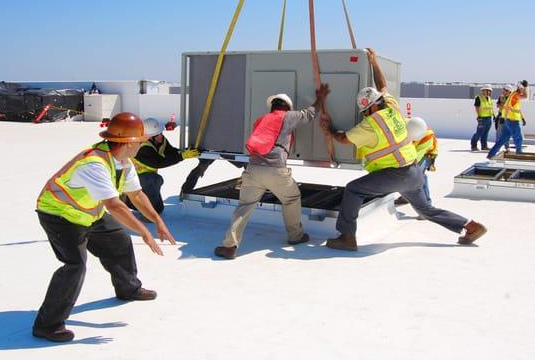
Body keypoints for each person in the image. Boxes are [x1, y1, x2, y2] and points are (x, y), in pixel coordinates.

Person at [320, 48, 487, 251]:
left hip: (395, 174)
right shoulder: (392, 107)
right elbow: (382, 85)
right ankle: (470, 226)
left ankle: (347, 237)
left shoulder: (371, 124)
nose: (364, 115)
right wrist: (373, 62)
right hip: (414, 171)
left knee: (353, 190)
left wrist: (328, 129)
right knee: (425, 209)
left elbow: (344, 139)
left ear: (371, 108)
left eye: (365, 111)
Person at [33, 112, 176, 342]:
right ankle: (47, 325)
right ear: (129, 143)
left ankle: (128, 287)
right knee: (74, 266)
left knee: (119, 241)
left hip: (88, 212)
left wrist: (158, 222)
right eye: (140, 140)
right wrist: (144, 232)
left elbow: (136, 195)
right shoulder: (94, 164)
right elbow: (115, 206)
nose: (142, 143)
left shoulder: (123, 162)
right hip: (59, 214)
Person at [214, 85, 330, 259]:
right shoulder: (288, 116)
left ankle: (229, 246)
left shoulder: (261, 120)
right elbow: (309, 115)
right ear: (287, 107)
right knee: (291, 198)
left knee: (244, 206)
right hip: (275, 170)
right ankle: (295, 236)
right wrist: (320, 97)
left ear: (272, 106)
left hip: (252, 169)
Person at [128, 117, 199, 214]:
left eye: (161, 133)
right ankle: (138, 207)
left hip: (145, 180)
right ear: (149, 137)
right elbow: (158, 162)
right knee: (155, 180)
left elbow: (171, 153)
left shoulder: (161, 141)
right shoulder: (143, 147)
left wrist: (185, 151)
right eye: (157, 135)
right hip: (132, 181)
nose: (160, 136)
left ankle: (140, 205)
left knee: (159, 209)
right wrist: (183, 156)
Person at [394, 117, 438, 210]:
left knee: (418, 174)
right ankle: (406, 197)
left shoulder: (427, 136)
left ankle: (427, 205)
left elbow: (416, 158)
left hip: (427, 154)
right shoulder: (403, 124)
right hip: (409, 150)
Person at [487, 80, 529, 158]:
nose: (523, 91)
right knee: (518, 138)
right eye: (523, 89)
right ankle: (519, 154)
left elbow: (508, 107)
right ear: (520, 88)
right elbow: (526, 96)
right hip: (512, 121)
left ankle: (491, 154)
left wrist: (505, 118)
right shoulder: (515, 95)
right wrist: (526, 87)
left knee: (503, 139)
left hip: (508, 121)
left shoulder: (513, 95)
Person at [470, 84, 494, 151]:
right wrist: (479, 116)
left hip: (489, 118)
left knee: (485, 133)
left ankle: (484, 146)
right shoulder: (479, 98)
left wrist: (493, 115)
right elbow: (477, 107)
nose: (489, 92)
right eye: (488, 91)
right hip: (482, 118)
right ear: (484, 90)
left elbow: (490, 108)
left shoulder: (489, 98)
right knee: (479, 133)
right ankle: (473, 145)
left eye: (490, 91)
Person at [494, 85, 513, 153]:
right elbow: (498, 105)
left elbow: (511, 108)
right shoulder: (501, 97)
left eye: (505, 90)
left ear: (509, 91)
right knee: (499, 132)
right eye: (504, 90)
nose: (504, 91)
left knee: (507, 133)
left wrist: (503, 105)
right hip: (501, 117)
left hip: (508, 118)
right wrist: (502, 105)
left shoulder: (512, 98)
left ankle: (507, 147)